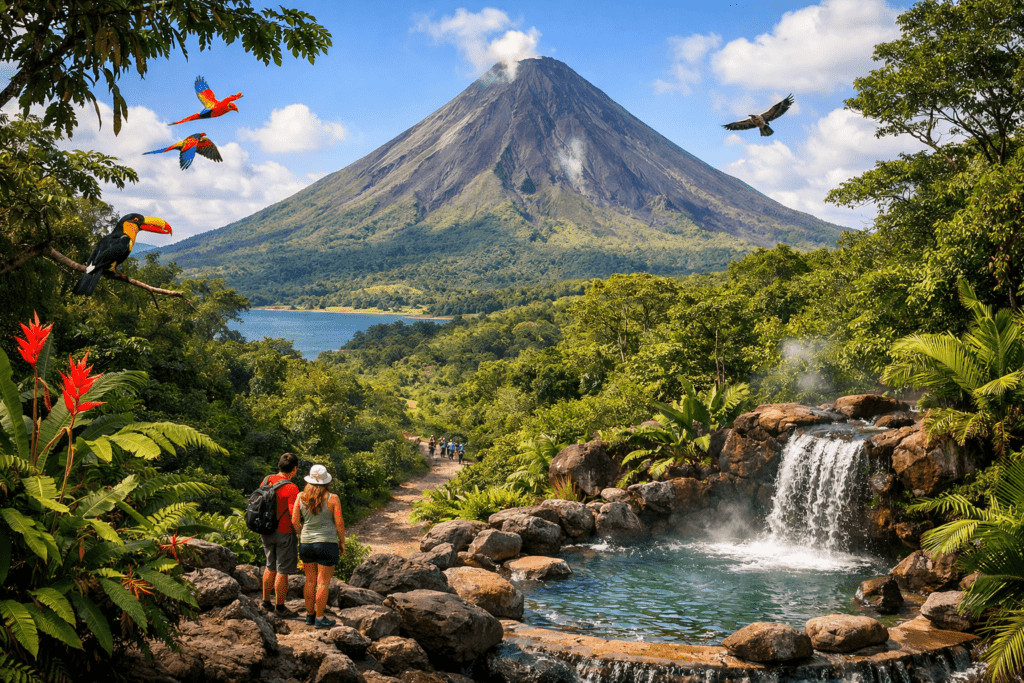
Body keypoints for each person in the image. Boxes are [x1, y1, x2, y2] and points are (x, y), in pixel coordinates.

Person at [292, 464, 345, 628]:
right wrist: (342, 542)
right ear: (326, 481)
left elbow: (294, 521)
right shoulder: (333, 498)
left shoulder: (301, 497)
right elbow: (339, 524)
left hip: (306, 543)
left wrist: (300, 534)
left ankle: (309, 616)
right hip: (327, 543)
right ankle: (320, 618)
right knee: (322, 583)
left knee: (310, 581)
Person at [260, 452, 300, 616]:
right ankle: (280, 608)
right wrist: (299, 533)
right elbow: (293, 514)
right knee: (282, 570)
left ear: (279, 466)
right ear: (294, 469)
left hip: (266, 530)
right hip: (284, 533)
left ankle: (265, 602)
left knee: (270, 566)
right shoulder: (291, 487)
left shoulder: (267, 480)